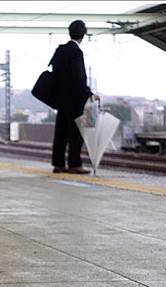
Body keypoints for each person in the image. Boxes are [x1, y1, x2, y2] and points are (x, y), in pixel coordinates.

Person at [50, 20, 100, 174]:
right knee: (75, 133)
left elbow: (55, 74)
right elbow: (79, 78)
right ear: (83, 35)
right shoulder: (76, 52)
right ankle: (74, 164)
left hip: (61, 99)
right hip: (75, 100)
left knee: (61, 132)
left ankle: (58, 164)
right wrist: (89, 94)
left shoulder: (60, 50)